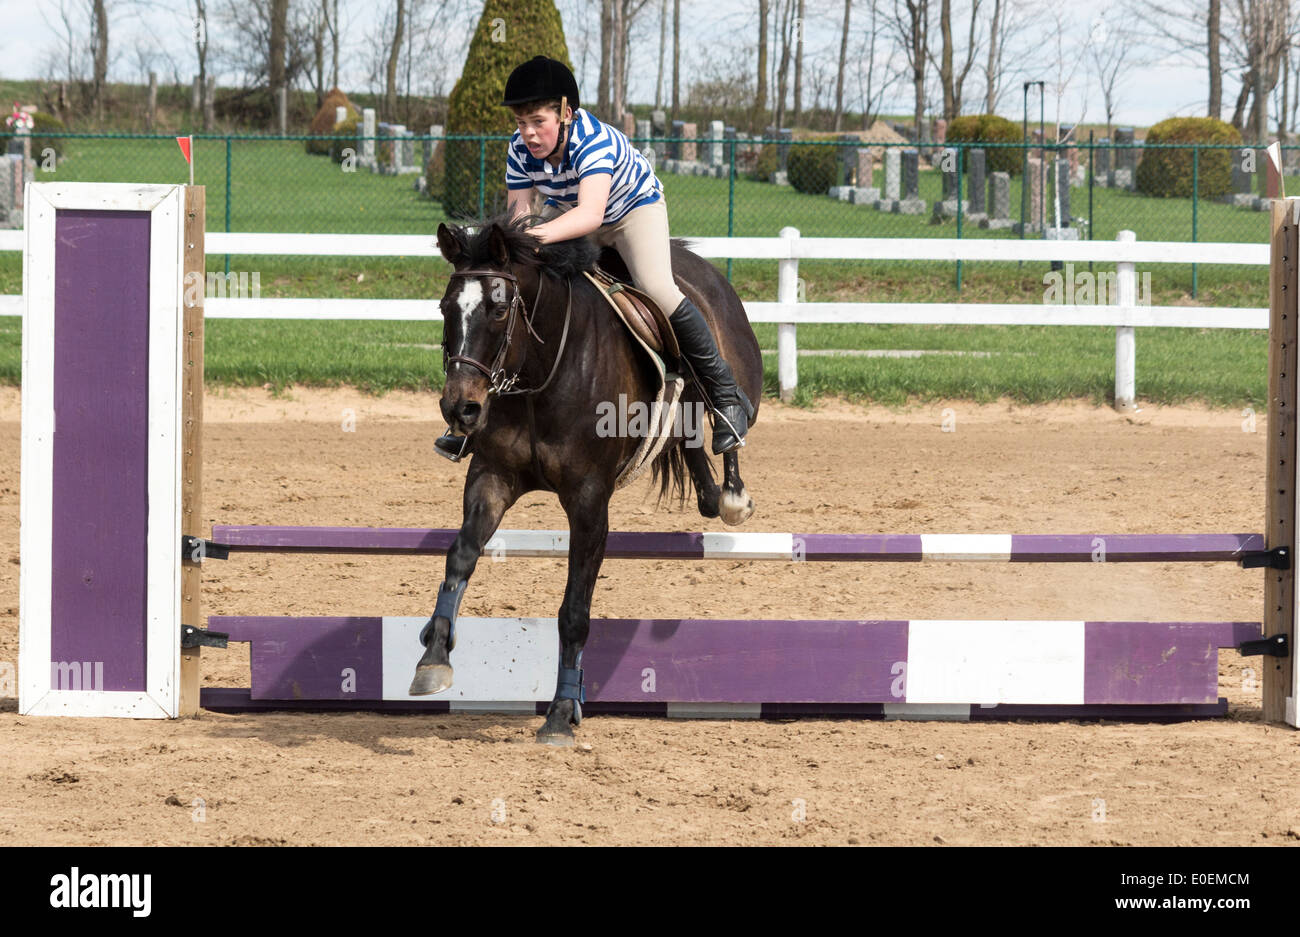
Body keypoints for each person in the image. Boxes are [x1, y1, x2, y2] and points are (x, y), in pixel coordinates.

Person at [435, 55, 753, 461]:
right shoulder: (518, 149)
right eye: (521, 123)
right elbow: (518, 216)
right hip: (567, 213)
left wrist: (533, 237)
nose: (528, 134)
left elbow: (591, 216)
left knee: (658, 287)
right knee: (516, 291)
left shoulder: (593, 140)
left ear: (565, 112)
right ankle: (476, 417)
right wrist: (515, 250)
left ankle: (726, 396)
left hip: (629, 213)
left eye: (538, 121)